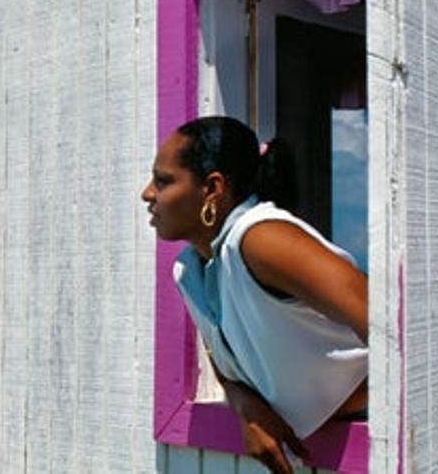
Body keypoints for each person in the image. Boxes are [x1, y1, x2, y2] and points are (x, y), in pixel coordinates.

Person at [141, 116, 367, 474]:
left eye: (163, 181)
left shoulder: (260, 238)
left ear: (211, 188)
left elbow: (386, 322)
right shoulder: (190, 270)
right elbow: (229, 368)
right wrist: (246, 407)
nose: (147, 193)